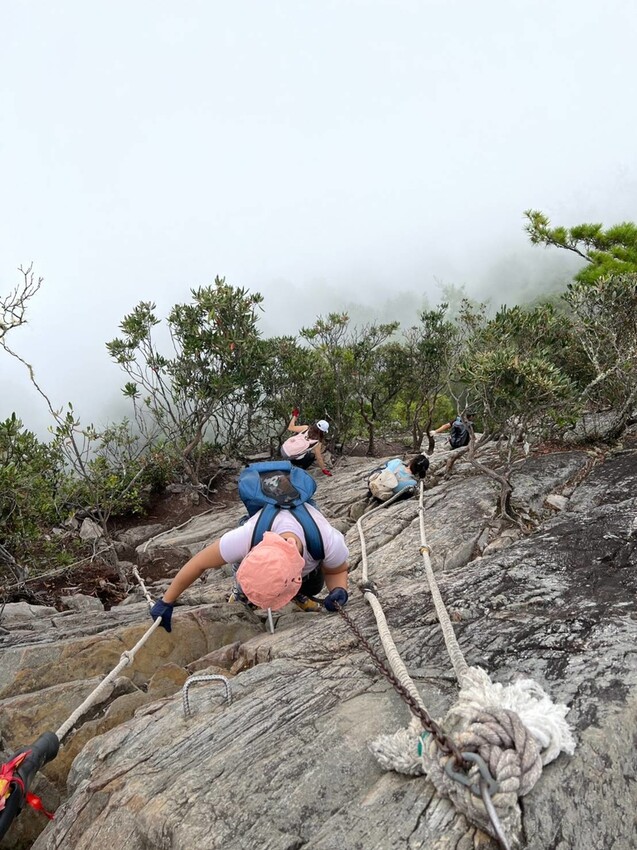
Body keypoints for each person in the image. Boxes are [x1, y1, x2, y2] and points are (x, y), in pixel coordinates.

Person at [149, 500, 350, 626]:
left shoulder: (327, 541)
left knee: (314, 585)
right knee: (243, 567)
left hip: (309, 565)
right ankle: (244, 593)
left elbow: (336, 571)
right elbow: (198, 563)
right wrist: (166, 601)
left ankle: (297, 593)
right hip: (259, 532)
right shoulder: (245, 536)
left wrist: (338, 590)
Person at [280, 409, 332, 476]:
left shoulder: (306, 428)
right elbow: (319, 457)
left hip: (283, 448)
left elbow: (290, 427)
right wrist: (324, 469)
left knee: (305, 451)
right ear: (323, 431)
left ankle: (288, 461)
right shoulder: (317, 442)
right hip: (290, 456)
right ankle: (300, 470)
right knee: (311, 456)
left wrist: (295, 416)